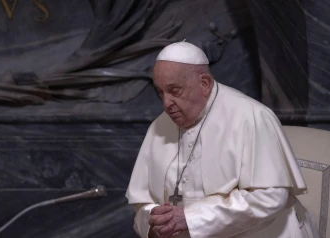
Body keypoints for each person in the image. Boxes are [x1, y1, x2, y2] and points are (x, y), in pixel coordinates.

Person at [125, 41, 319, 238]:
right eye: (160, 92)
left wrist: (191, 218)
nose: (166, 103)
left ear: (204, 83)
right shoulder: (159, 126)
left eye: (175, 91)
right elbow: (143, 201)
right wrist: (155, 222)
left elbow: (269, 197)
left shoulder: (251, 117)